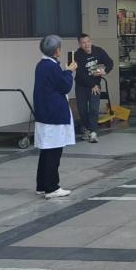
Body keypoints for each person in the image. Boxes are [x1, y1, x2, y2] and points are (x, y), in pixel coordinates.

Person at [33, 35, 77, 200]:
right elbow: (65, 86)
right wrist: (69, 72)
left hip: (44, 114)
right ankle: (52, 187)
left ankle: (42, 185)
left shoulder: (41, 65)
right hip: (54, 115)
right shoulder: (52, 67)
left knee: (46, 151)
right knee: (54, 152)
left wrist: (65, 72)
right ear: (57, 50)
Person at [74, 33, 114, 143]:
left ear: (90, 41)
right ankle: (87, 129)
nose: (86, 44)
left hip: (95, 86)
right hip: (82, 86)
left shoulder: (98, 51)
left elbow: (110, 62)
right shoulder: (77, 55)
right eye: (83, 43)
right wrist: (93, 85)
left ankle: (93, 132)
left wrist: (105, 71)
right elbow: (80, 74)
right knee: (82, 109)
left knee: (94, 109)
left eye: (88, 41)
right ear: (79, 44)